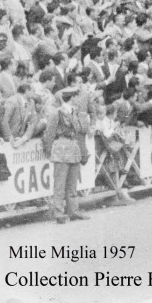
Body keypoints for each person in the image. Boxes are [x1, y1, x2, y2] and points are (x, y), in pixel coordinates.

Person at [41, 86, 90, 223]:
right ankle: (59, 213)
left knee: (72, 183)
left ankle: (73, 211)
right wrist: (49, 150)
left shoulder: (74, 112)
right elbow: (49, 134)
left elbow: (81, 129)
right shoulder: (57, 113)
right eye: (77, 96)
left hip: (73, 148)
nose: (79, 99)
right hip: (61, 148)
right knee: (60, 184)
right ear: (72, 97)